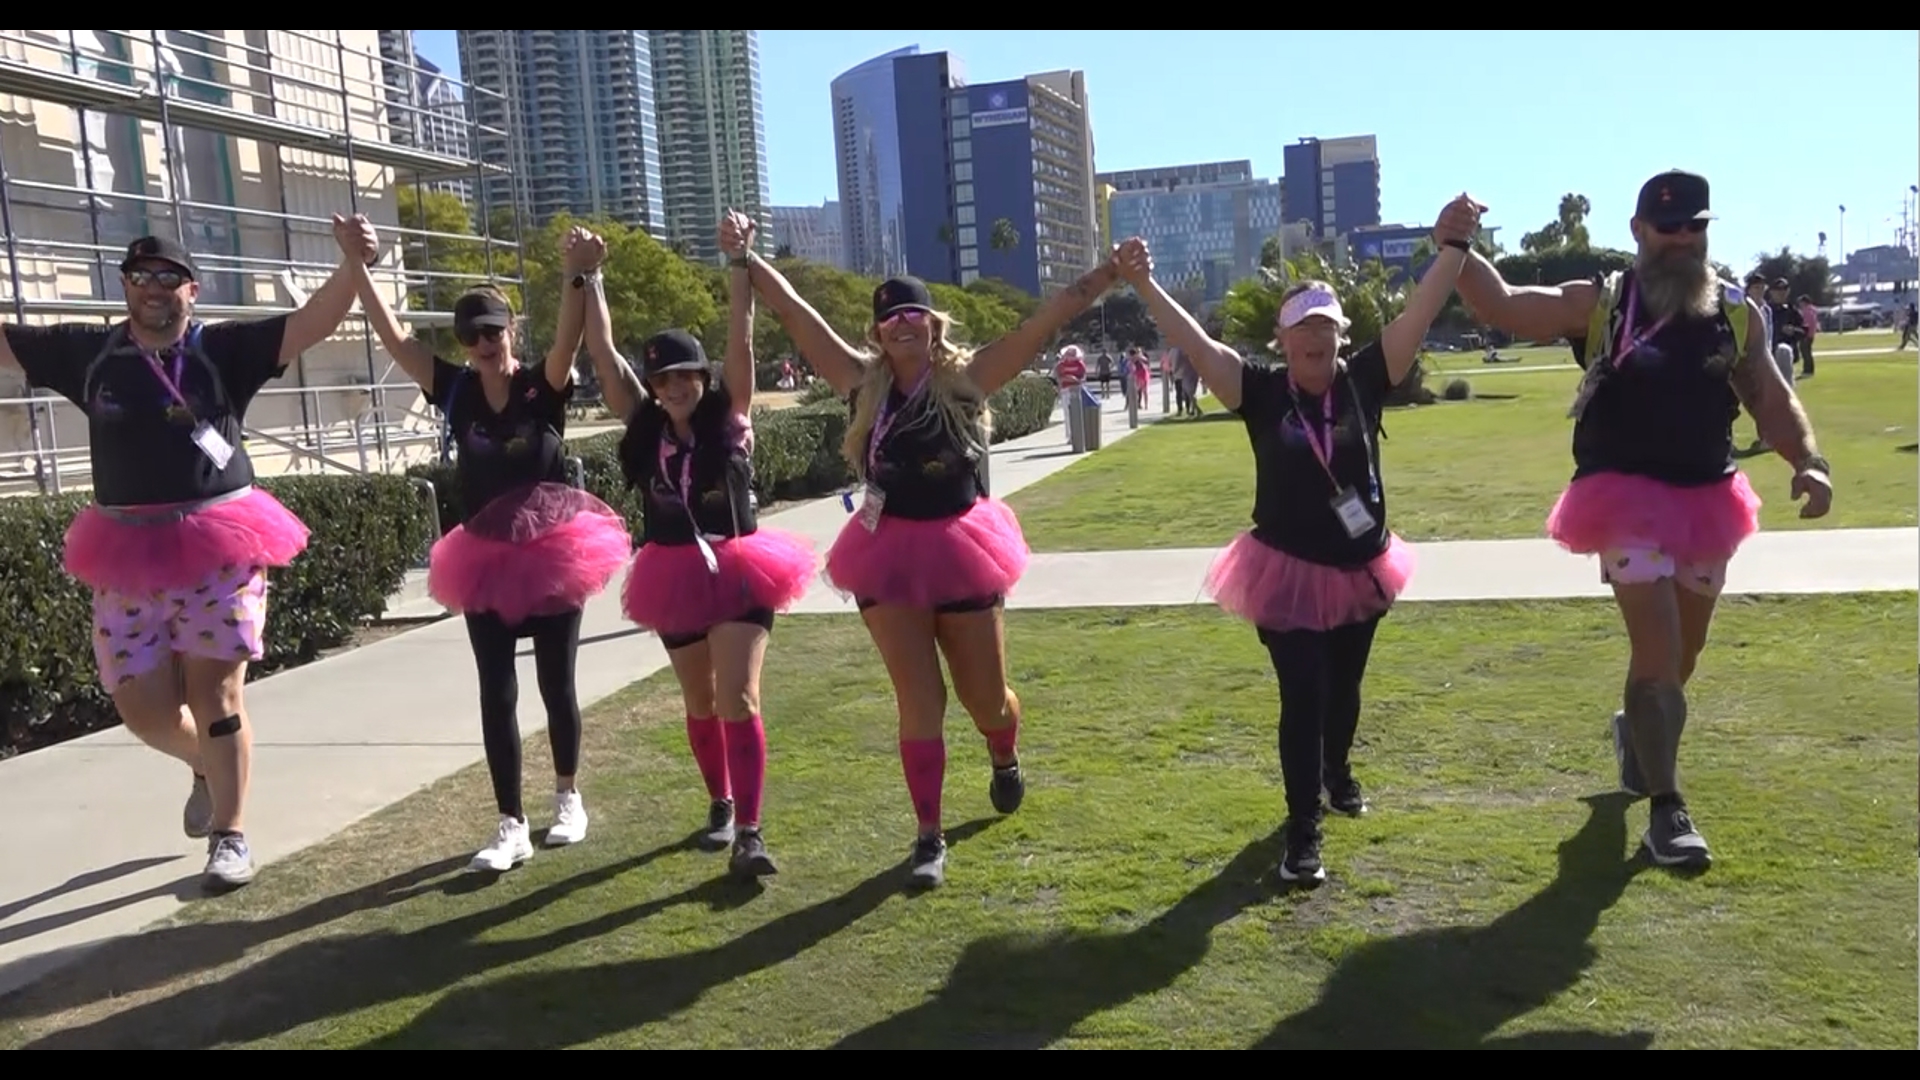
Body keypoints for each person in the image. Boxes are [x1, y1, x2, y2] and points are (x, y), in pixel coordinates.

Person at [1452, 170, 1833, 870]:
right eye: (1669, 227)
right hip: (1622, 496)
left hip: (1708, 499)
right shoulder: (1605, 301)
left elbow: (1771, 400)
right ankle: (1668, 811)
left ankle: (1638, 736)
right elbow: (1504, 306)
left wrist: (1808, 460)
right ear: (1638, 232)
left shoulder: (1737, 312)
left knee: (1680, 659)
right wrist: (1454, 243)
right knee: (1656, 654)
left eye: (1697, 226)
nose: (1683, 239)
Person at [0, 219, 377, 888]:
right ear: (124, 286)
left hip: (219, 543)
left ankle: (230, 836)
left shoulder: (224, 350)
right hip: (123, 548)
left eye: (169, 277)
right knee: (139, 708)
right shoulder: (88, 354)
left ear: (191, 291)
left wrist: (351, 264)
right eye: (141, 276)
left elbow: (312, 323)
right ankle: (205, 761)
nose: (154, 288)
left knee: (216, 691)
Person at [1115, 201, 1476, 885]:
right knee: (1303, 695)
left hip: (1362, 566)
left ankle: (1338, 768)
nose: (1317, 340)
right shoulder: (1258, 390)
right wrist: (1143, 284)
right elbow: (1197, 344)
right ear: (1282, 340)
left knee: (1344, 691)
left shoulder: (1363, 380)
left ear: (1341, 336)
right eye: (1303, 329)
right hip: (1285, 571)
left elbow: (1418, 315)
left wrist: (1453, 243)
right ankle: (1303, 832)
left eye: (1327, 329)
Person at [741, 246, 1122, 888]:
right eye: (891, 320)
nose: (903, 326)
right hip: (886, 554)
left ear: (933, 324)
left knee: (986, 702)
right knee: (920, 701)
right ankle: (928, 835)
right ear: (878, 332)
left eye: (914, 315)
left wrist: (1108, 275)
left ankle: (1004, 751)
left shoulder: (968, 378)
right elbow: (798, 315)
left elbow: (1041, 323)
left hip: (963, 549)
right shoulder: (862, 383)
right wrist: (746, 258)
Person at [350, 226, 632, 874]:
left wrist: (577, 273)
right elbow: (395, 339)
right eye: (472, 334)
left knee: (556, 685)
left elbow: (568, 338)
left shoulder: (542, 385)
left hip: (554, 551)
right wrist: (357, 266)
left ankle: (567, 798)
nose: (484, 342)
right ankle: (510, 824)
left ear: (510, 329)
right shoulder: (453, 390)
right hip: (483, 558)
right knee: (496, 691)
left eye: (494, 330)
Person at [576, 213, 817, 880]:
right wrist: (589, 277)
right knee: (701, 703)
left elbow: (739, 336)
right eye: (664, 380)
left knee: (739, 697)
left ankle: (751, 831)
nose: (675, 388)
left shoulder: (731, 418)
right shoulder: (644, 426)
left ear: (703, 379)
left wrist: (739, 261)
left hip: (739, 568)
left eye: (686, 376)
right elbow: (602, 351)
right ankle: (719, 799)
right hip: (671, 572)